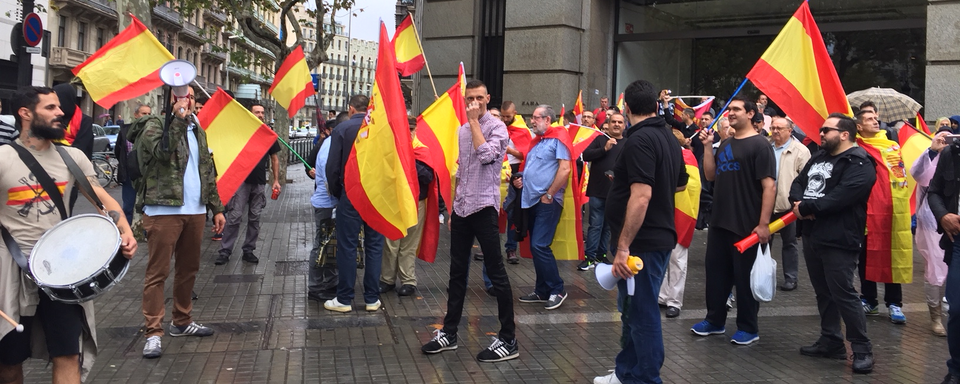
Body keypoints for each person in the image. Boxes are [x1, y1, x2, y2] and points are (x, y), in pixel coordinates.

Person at [0, 87, 137, 382]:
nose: (61, 112)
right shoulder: (3, 158)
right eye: (50, 108)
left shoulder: (71, 157)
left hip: (61, 270)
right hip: (10, 270)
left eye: (59, 107)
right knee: (8, 360)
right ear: (25, 114)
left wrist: (124, 231)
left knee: (67, 353)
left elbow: (103, 199)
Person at [593, 79, 686, 384]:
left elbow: (642, 195)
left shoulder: (639, 140)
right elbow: (680, 182)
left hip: (641, 244)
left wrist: (622, 247)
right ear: (656, 106)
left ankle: (645, 378)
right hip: (653, 238)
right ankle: (626, 372)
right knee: (633, 310)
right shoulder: (670, 138)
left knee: (642, 313)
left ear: (628, 108)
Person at [421, 80, 518, 362]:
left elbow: (487, 156)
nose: (474, 103)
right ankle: (449, 333)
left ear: (487, 98)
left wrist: (476, 123)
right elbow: (461, 171)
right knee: (456, 274)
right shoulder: (462, 131)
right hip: (463, 208)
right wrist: (453, 209)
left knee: (497, 273)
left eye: (479, 98)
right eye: (469, 99)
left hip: (485, 207)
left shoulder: (497, 128)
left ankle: (508, 338)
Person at [130, 85, 225, 358]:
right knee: (157, 273)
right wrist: (177, 121)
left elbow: (207, 169)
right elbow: (162, 153)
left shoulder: (198, 130)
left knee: (189, 269)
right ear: (171, 100)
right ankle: (153, 332)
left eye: (192, 98)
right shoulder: (154, 125)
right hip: (163, 209)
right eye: (182, 97)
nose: (189, 102)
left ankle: (182, 321)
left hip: (195, 210)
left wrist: (216, 207)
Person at [789, 113, 876, 374]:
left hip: (840, 238)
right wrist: (799, 204)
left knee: (844, 293)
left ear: (845, 134)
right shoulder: (819, 156)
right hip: (814, 234)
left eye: (826, 130)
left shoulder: (860, 163)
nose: (822, 133)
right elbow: (798, 182)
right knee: (823, 291)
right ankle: (831, 340)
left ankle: (861, 348)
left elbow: (843, 196)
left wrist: (808, 207)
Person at [691, 96, 776, 346]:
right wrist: (708, 146)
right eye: (729, 109)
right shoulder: (726, 144)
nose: (730, 113)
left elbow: (769, 187)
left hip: (747, 225)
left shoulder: (761, 145)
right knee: (716, 275)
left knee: (745, 279)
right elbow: (710, 175)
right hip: (720, 222)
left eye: (737, 109)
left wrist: (763, 224)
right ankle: (714, 321)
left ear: (751, 114)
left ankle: (748, 328)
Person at [324, 95, 385, 313]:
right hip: (376, 195)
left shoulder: (342, 130)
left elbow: (332, 167)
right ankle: (371, 298)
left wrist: (339, 192)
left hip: (351, 193)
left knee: (347, 246)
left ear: (350, 109)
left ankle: (344, 298)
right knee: (375, 246)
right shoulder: (380, 129)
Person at [855, 109, 911, 324]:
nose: (875, 121)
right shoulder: (856, 147)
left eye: (875, 118)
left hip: (890, 211)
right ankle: (869, 300)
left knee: (892, 255)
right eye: (869, 119)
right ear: (859, 126)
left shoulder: (891, 146)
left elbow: (900, 178)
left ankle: (894, 303)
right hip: (866, 211)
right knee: (866, 256)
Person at [514, 104, 571, 310]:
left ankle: (557, 289)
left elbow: (565, 169)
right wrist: (519, 179)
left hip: (547, 201)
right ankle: (542, 290)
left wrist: (549, 194)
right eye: (533, 117)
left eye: (537, 117)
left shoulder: (559, 138)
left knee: (539, 245)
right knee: (536, 246)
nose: (532, 120)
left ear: (548, 120)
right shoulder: (537, 141)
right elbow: (530, 169)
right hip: (532, 200)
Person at [214, 103, 281, 265]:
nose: (260, 115)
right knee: (235, 217)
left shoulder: (267, 134)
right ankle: (225, 251)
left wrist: (276, 180)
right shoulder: (241, 133)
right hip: (240, 181)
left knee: (255, 218)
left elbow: (274, 158)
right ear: (250, 114)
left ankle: (248, 250)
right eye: (257, 112)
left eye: (262, 112)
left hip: (259, 182)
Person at [379, 124, 436, 297]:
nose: (408, 133)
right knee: (391, 243)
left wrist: (408, 161)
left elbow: (428, 176)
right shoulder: (392, 150)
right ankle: (387, 279)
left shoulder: (422, 151)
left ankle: (408, 280)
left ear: (415, 131)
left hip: (415, 203)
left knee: (409, 244)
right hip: (394, 203)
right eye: (405, 130)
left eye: (411, 130)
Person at [926, 131, 960, 384]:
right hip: (958, 241)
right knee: (957, 309)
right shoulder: (952, 153)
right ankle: (956, 369)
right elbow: (934, 191)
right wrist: (943, 215)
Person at [658, 129, 701, 319]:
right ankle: (662, 296)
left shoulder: (688, 156)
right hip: (663, 212)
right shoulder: (661, 155)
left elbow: (693, 186)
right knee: (662, 257)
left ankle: (674, 301)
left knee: (677, 258)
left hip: (680, 213)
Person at [913, 129, 952, 336]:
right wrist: (932, 151)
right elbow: (918, 174)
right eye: (941, 138)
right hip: (932, 221)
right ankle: (935, 317)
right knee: (935, 268)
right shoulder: (930, 157)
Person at [769, 117, 811, 291]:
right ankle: (760, 274)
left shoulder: (801, 151)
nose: (775, 131)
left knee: (790, 243)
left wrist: (799, 202)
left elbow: (806, 180)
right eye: (773, 128)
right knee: (762, 242)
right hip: (765, 204)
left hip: (788, 207)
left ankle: (791, 278)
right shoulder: (765, 146)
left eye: (779, 128)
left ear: (790, 130)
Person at [579, 112, 625, 270]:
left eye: (620, 122)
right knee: (596, 225)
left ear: (624, 125)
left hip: (616, 193)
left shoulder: (627, 143)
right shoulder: (599, 139)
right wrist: (604, 149)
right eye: (614, 122)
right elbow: (585, 155)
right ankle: (590, 257)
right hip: (598, 190)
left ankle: (601, 255)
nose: (617, 124)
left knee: (607, 227)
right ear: (609, 124)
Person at [308, 126, 338, 302]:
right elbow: (329, 178)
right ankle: (316, 287)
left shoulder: (332, 144)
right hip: (327, 204)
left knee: (331, 244)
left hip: (330, 202)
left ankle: (330, 282)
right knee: (322, 244)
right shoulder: (329, 146)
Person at [115, 104, 152, 223]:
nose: (146, 116)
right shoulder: (125, 131)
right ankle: (127, 233)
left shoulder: (154, 131)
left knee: (149, 207)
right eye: (143, 113)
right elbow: (118, 151)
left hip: (147, 176)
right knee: (127, 207)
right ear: (136, 115)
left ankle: (148, 233)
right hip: (129, 176)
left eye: (149, 114)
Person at [500, 101, 523, 264]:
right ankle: (485, 246)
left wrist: (508, 150)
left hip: (515, 172)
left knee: (512, 212)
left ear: (515, 113)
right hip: (498, 172)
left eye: (508, 116)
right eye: (503, 116)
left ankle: (511, 248)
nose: (505, 119)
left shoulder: (522, 130)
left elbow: (524, 155)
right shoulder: (497, 128)